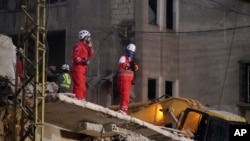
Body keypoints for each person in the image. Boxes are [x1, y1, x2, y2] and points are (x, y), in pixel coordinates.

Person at [71, 29, 94, 100]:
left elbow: (91, 55)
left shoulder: (85, 47)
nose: (90, 39)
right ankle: (78, 98)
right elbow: (75, 57)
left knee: (83, 87)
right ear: (84, 37)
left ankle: (81, 98)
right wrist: (83, 61)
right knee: (79, 85)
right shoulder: (79, 45)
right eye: (88, 37)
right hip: (78, 68)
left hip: (83, 69)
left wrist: (90, 47)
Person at [117, 43, 139, 114]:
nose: (131, 53)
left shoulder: (131, 60)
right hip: (123, 80)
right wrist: (129, 66)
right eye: (130, 51)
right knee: (125, 95)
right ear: (127, 51)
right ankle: (123, 110)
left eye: (132, 52)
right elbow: (123, 65)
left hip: (128, 81)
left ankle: (124, 109)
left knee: (126, 95)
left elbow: (135, 67)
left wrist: (134, 66)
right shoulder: (123, 58)